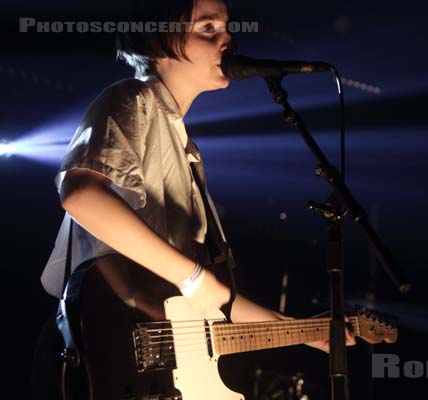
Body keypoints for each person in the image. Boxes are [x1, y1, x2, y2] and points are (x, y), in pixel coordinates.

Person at [32, 0, 354, 398]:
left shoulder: (185, 148)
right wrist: (193, 277)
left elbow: (213, 301)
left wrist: (309, 333)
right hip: (105, 359)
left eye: (225, 25)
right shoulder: (133, 99)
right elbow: (81, 196)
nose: (227, 37)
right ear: (158, 40)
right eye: (207, 27)